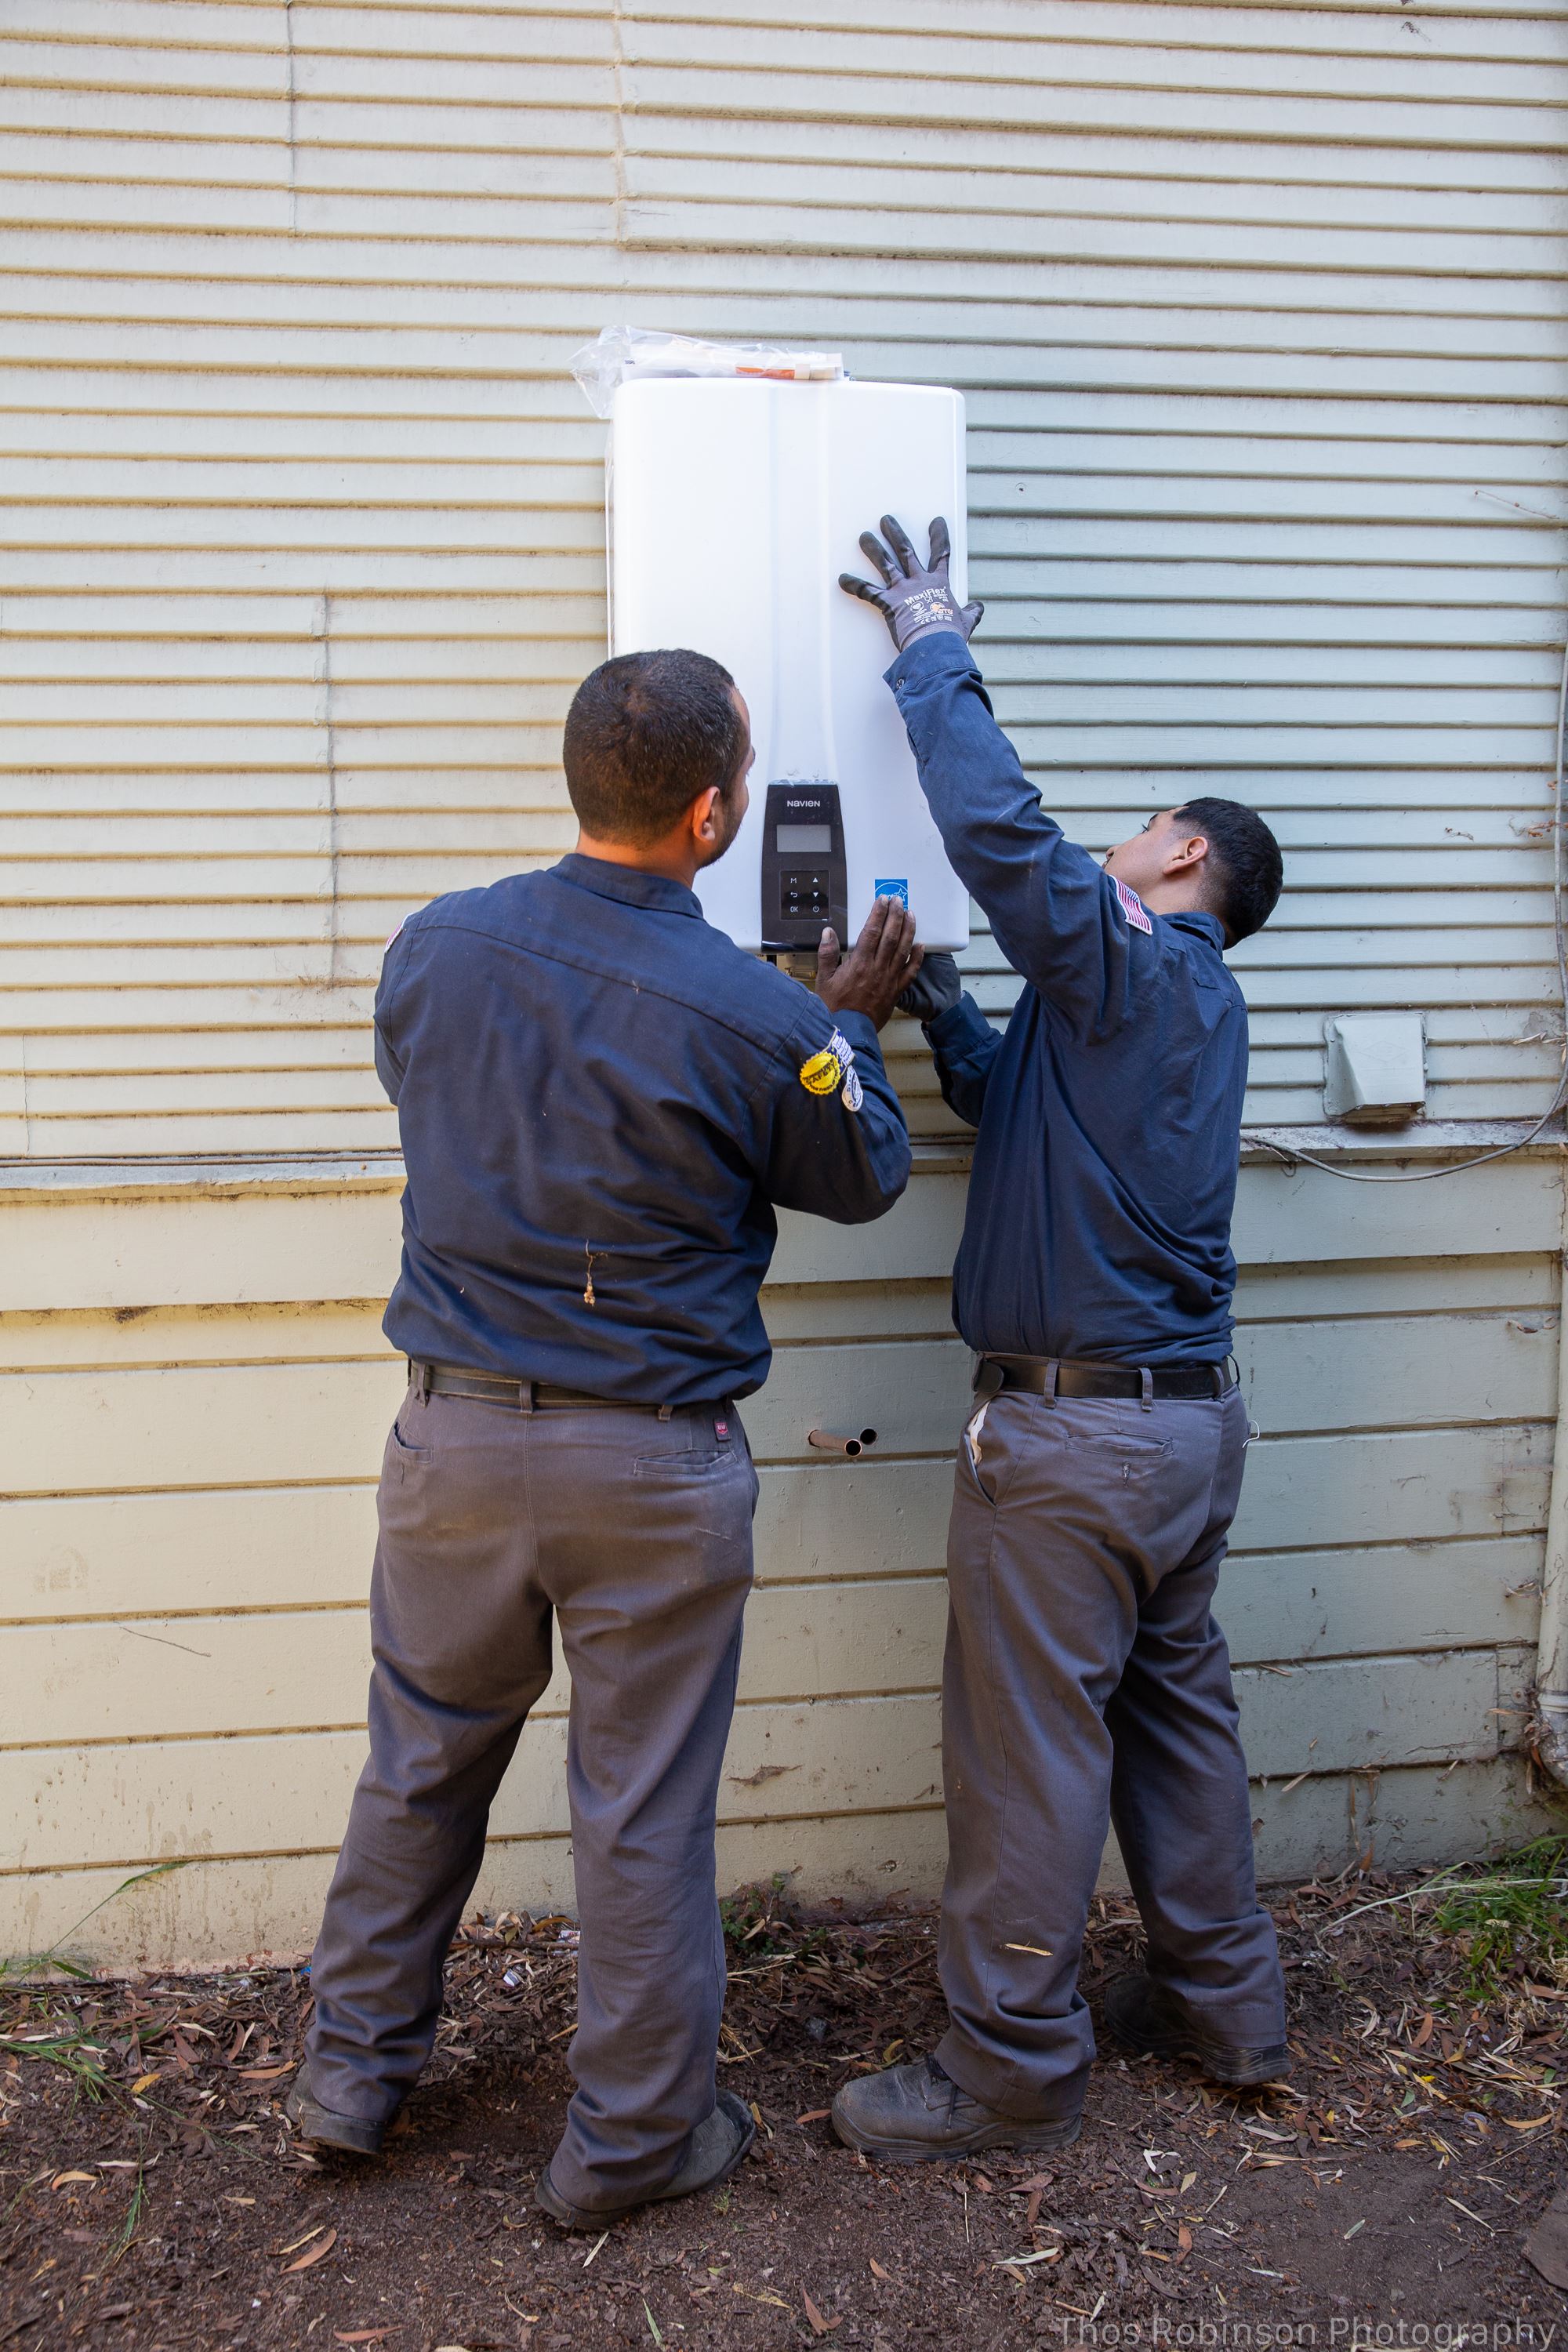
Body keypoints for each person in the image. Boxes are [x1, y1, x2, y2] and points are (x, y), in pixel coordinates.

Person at [287, 646, 920, 2225]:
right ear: (711, 815)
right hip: (652, 1467)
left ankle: (349, 2081)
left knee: (419, 1765)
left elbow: (423, 1093)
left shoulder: (435, 948)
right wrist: (840, 1028)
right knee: (637, 1813)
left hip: (453, 1445)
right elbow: (860, 1176)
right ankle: (633, 2142)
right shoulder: (757, 1016)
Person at [829, 517, 1289, 2161]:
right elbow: (1012, 1103)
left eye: (1145, 824)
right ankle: (1225, 2006)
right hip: (1182, 1435)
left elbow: (1005, 838)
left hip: (1077, 1445)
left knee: (1028, 1754)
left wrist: (929, 644)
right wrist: (926, 1006)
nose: (1120, 836)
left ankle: (1007, 2071)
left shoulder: (1135, 964)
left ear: (1179, 862)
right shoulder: (1163, 1014)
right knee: (1176, 1718)